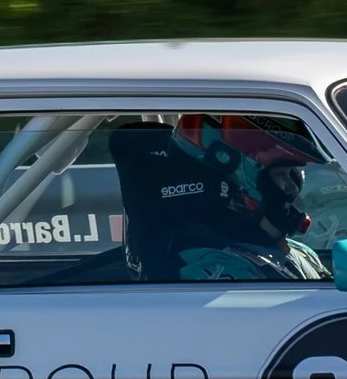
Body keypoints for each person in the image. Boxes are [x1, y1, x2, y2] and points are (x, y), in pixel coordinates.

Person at [108, 115, 329, 282]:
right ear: (239, 181)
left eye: (295, 176)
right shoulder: (212, 266)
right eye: (281, 176)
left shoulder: (299, 252)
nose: (292, 189)